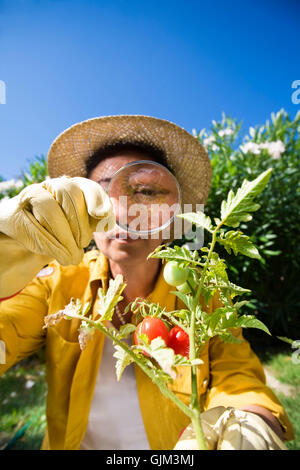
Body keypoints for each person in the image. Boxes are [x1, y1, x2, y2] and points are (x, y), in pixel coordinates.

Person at [0, 115, 294, 450]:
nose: (124, 210)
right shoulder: (56, 282)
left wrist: (252, 422)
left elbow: (237, 373)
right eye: (105, 192)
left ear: (173, 217)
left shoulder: (202, 294)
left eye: (146, 192)